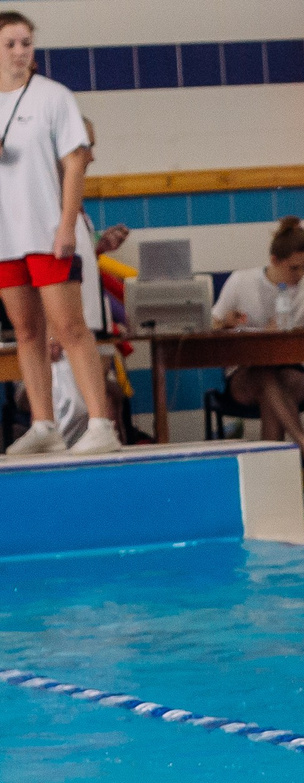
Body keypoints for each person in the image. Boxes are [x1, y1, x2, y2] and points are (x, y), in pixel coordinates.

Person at [0, 10, 117, 456]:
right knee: (26, 332)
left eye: (25, 42)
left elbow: (75, 162)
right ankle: (44, 423)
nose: (19, 51)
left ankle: (101, 424)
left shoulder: (53, 97)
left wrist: (66, 225)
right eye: (10, 43)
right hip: (5, 236)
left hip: (47, 229)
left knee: (69, 327)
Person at [208, 217, 304, 484]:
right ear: (274, 260)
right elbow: (209, 322)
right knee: (265, 374)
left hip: (293, 372)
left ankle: (271, 484)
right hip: (246, 376)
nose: (300, 275)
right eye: (293, 268)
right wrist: (225, 322)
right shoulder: (241, 281)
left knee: (273, 387)